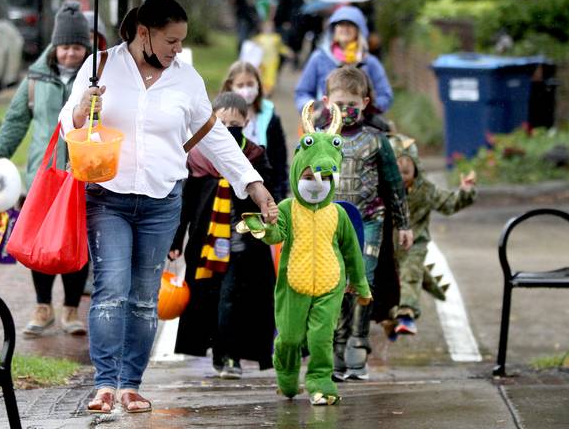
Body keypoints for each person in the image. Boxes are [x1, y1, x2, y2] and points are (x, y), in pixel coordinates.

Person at [58, 0, 278, 415]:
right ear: (144, 33)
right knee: (111, 290)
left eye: (181, 42)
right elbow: (68, 124)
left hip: (162, 200)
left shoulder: (187, 79)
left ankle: (131, 385)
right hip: (108, 195)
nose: (177, 50)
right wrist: (84, 108)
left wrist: (254, 185)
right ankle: (105, 384)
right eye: (170, 41)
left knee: (143, 296)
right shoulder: (99, 66)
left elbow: (214, 137)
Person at [242, 101, 370, 406]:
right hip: (293, 285)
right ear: (300, 171)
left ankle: (320, 382)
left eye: (325, 179)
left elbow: (352, 251)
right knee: (289, 338)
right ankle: (286, 376)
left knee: (320, 339)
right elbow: (277, 233)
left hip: (330, 285)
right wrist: (262, 227)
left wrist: (361, 284)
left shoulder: (338, 215)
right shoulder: (288, 208)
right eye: (311, 177)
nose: (317, 184)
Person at [0, 1, 92, 337]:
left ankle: (71, 308)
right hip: (42, 175)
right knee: (38, 242)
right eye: (64, 47)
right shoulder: (35, 78)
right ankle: (42, 305)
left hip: (81, 174)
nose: (70, 55)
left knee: (75, 242)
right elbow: (16, 121)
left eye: (77, 48)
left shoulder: (95, 80)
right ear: (54, 46)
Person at [168, 92, 276, 379]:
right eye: (222, 122)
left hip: (243, 244)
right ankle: (217, 352)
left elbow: (267, 194)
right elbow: (186, 205)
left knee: (233, 297)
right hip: (205, 245)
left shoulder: (254, 155)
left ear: (246, 121)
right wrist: (176, 241)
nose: (228, 127)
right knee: (210, 298)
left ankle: (230, 356)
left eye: (235, 122)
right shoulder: (197, 158)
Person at [316, 66, 412, 382]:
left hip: (371, 219)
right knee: (337, 282)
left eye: (351, 104)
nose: (345, 111)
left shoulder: (376, 141)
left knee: (363, 280)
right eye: (338, 104)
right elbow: (304, 180)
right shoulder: (319, 140)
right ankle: (339, 344)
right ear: (327, 102)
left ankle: (359, 342)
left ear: (365, 102)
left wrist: (404, 224)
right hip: (333, 223)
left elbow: (394, 183)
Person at [388, 134, 477, 336]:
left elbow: (449, 203)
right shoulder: (380, 189)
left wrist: (466, 191)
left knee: (410, 274)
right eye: (396, 172)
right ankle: (384, 318)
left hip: (414, 244)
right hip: (385, 244)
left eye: (406, 172)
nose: (401, 177)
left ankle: (406, 315)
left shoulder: (426, 190)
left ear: (416, 168)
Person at [294, 5, 393, 115]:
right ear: (333, 29)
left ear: (359, 30)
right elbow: (302, 93)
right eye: (340, 24)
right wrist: (316, 108)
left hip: (362, 123)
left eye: (350, 24)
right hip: (325, 122)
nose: (345, 28)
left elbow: (385, 95)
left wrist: (369, 109)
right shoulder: (319, 58)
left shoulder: (369, 62)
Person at [220, 61, 289, 202]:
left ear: (258, 84)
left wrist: (280, 196)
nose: (246, 90)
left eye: (250, 84)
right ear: (230, 86)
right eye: (240, 85)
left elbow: (279, 161)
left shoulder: (270, 117)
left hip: (264, 189)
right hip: (228, 193)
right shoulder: (220, 117)